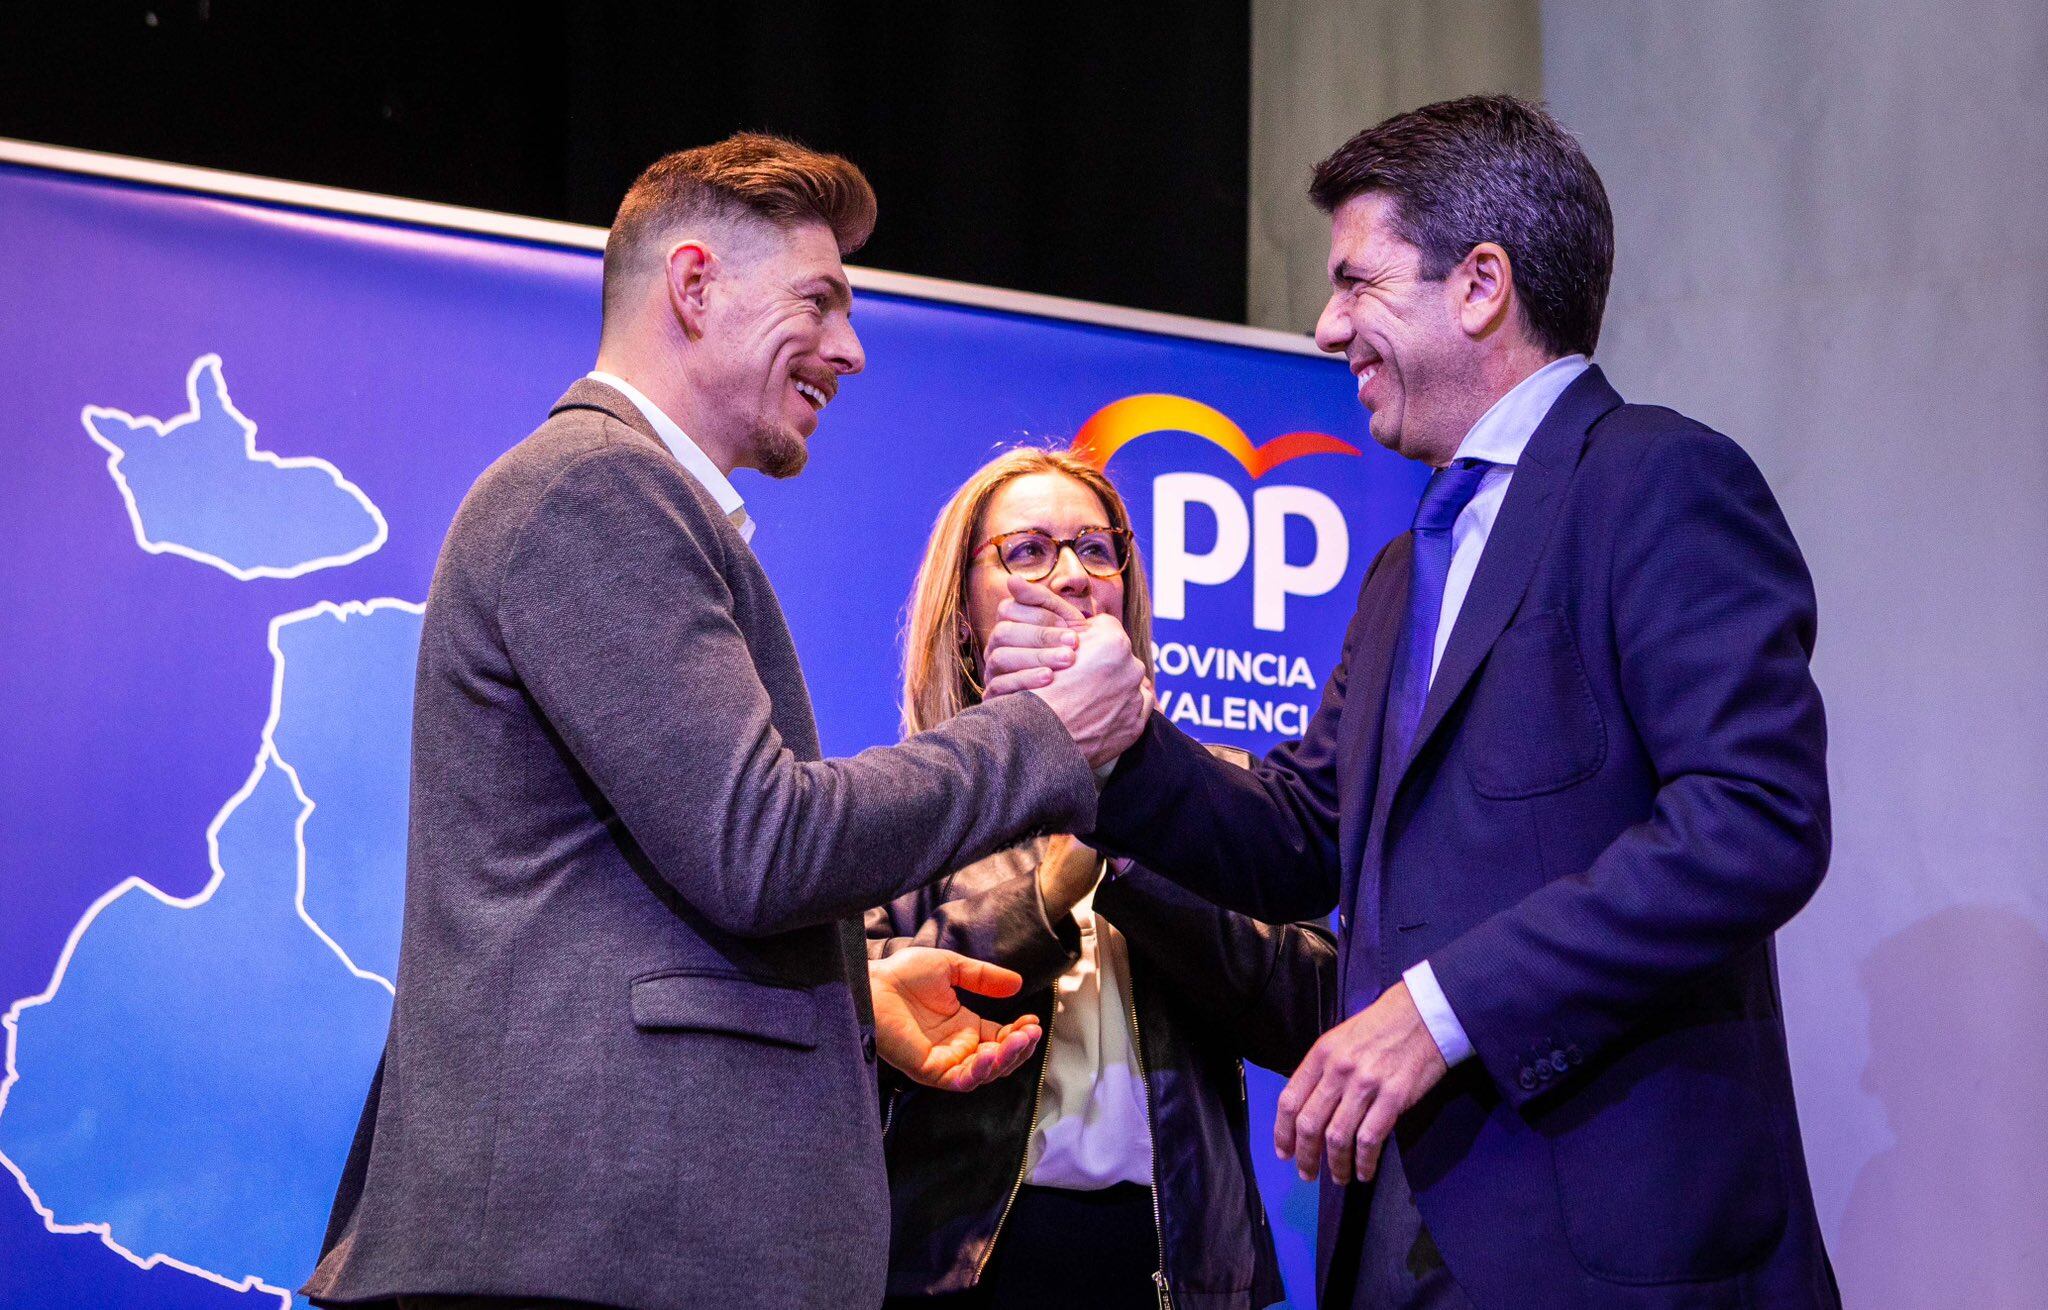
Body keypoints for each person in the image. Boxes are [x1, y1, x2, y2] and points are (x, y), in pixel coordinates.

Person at [984, 96, 1839, 1310]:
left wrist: (1437, 1011)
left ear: (1480, 283)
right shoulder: (1403, 565)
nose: (1326, 326)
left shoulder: (1659, 481)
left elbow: (1752, 821)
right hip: (1397, 1244)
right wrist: (1115, 740)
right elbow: (1292, 836)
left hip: (1622, 1252)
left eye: (1355, 282)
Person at [300, 134, 1149, 1310]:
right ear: (693, 286)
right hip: (581, 1261)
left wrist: (854, 995)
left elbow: (664, 875)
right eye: (820, 301)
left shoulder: (624, 500)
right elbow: (762, 843)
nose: (850, 350)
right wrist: (1046, 733)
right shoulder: (594, 488)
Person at [867, 447, 1337, 1309]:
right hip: (963, 1268)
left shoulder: (1222, 795)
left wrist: (1134, 838)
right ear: (965, 613)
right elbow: (861, 1024)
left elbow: (1315, 1008)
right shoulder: (906, 800)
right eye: (1029, 550)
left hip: (1177, 1269)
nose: (1074, 576)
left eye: (1095, 548)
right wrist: (1050, 891)